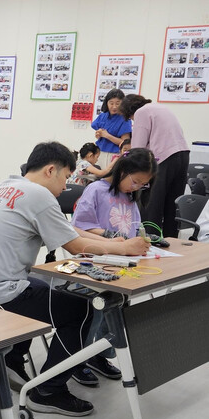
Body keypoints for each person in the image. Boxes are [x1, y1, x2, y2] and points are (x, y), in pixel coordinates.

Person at [0, 142, 149, 417]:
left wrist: (111, 243)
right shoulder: (39, 195)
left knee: (40, 286)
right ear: (49, 170)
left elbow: (68, 230)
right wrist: (124, 249)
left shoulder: (6, 186)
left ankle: (11, 358)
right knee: (81, 311)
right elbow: (75, 246)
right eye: (66, 177)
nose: (65, 186)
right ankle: (48, 391)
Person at [69, 148, 157, 386]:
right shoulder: (96, 190)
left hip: (122, 263)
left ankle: (99, 355)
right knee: (95, 312)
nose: (137, 187)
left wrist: (141, 241)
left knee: (115, 310)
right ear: (123, 170)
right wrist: (110, 238)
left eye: (143, 185)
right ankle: (77, 360)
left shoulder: (130, 196)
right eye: (135, 181)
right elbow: (79, 227)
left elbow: (134, 227)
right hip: (95, 261)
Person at [119, 94, 189, 238]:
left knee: (152, 204)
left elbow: (138, 148)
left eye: (130, 118)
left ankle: (151, 242)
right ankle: (170, 240)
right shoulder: (160, 108)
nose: (133, 120)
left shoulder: (141, 112)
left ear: (129, 111)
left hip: (164, 158)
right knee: (172, 205)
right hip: (183, 155)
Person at [91, 89, 132, 168]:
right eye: (111, 103)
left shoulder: (125, 119)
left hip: (114, 154)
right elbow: (97, 127)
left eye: (117, 103)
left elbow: (125, 143)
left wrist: (107, 135)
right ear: (107, 103)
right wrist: (99, 133)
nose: (114, 106)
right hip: (99, 152)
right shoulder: (103, 115)